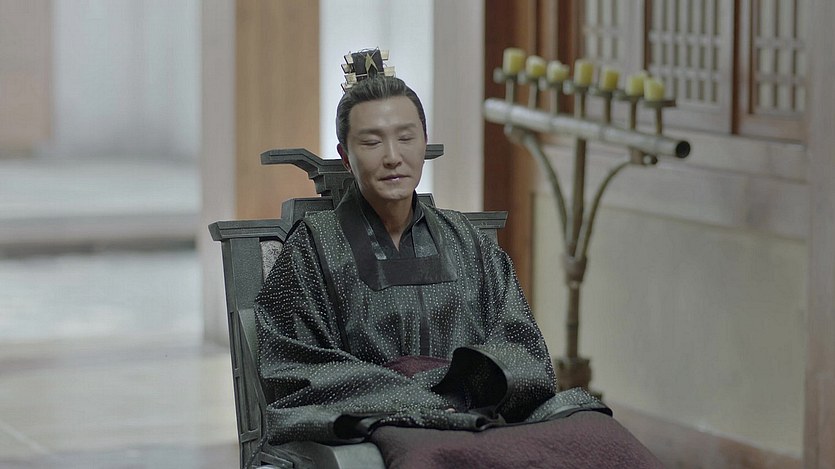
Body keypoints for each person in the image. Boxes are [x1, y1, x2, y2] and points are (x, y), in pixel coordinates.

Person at [255, 50, 659, 468]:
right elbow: (296, 366)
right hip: (385, 418)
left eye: (406, 137)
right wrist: (417, 400)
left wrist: (469, 389)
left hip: (480, 410)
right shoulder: (314, 247)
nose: (392, 156)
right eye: (372, 142)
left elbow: (522, 345)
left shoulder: (466, 239)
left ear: (424, 143)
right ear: (345, 155)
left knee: (603, 437)